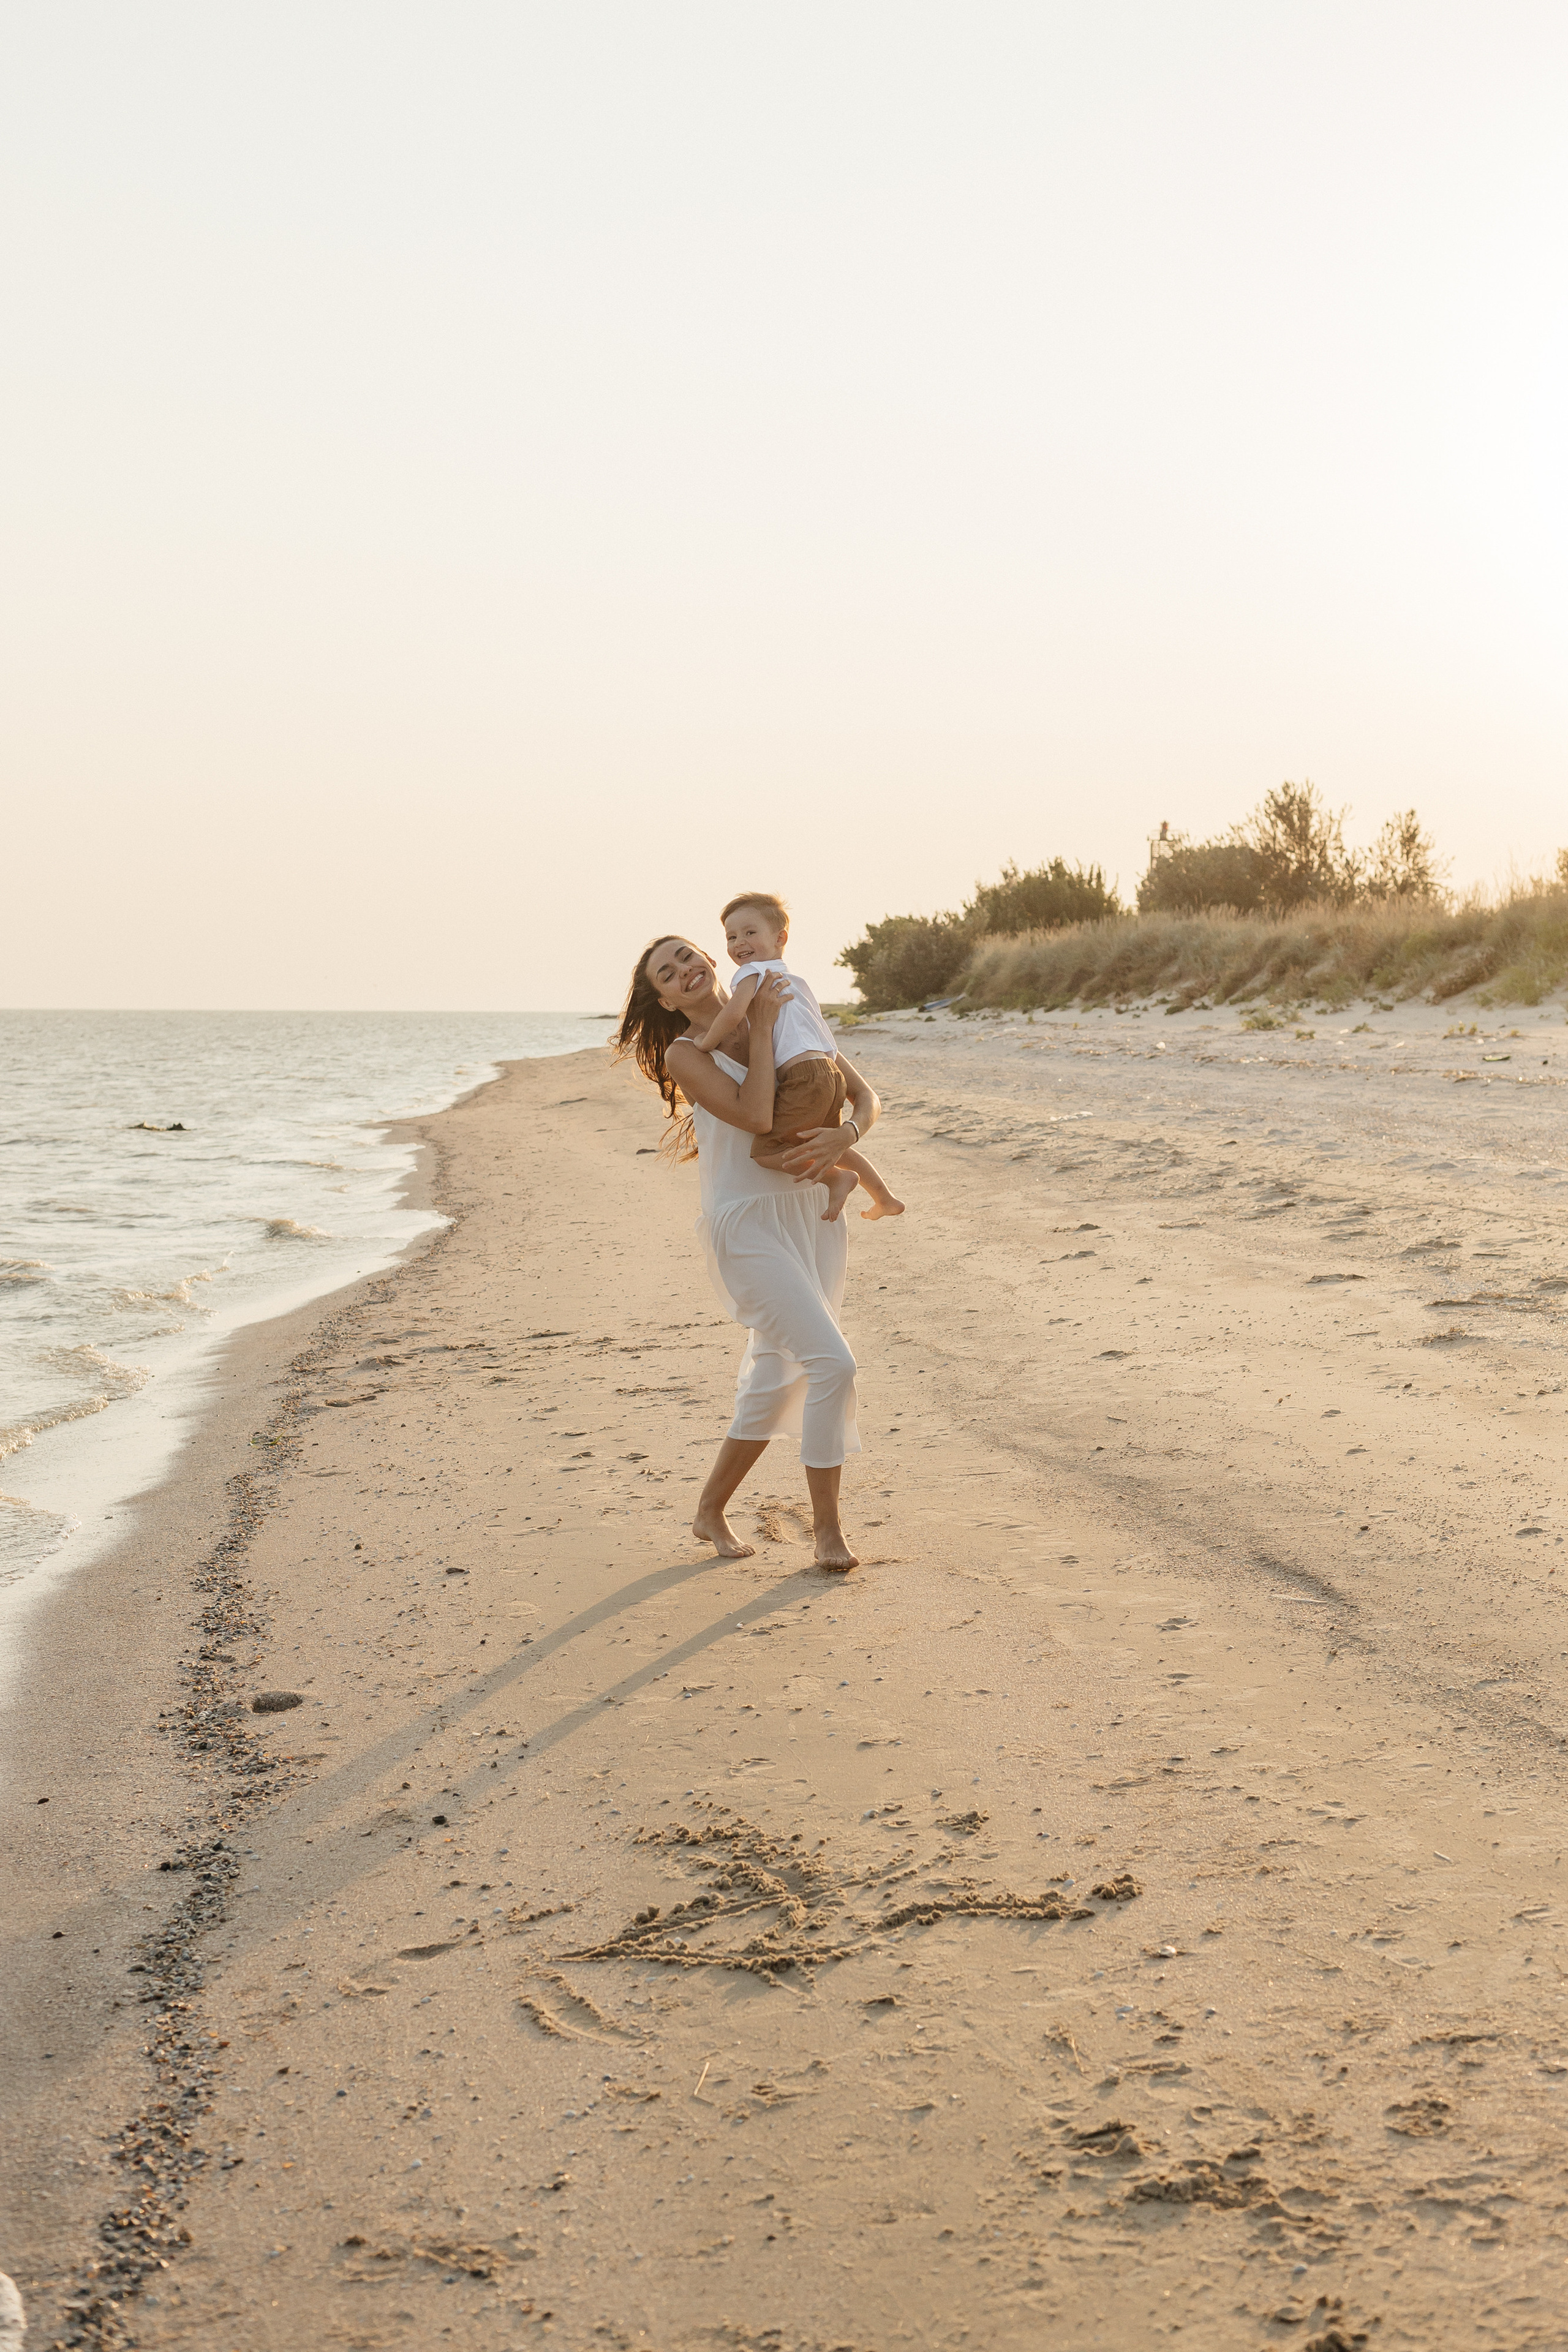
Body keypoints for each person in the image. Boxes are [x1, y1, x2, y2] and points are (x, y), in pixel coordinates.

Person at [616, 932, 880, 1570]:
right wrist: (759, 1028)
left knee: (772, 1376)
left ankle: (709, 1511)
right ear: (663, 1000)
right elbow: (759, 1117)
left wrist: (843, 1136)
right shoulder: (688, 1053)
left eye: (687, 957)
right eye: (666, 973)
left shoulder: (784, 1009)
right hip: (747, 1226)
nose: (683, 971)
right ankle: (827, 1533)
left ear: (711, 959)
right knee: (832, 1365)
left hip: (811, 1215)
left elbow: (865, 1097)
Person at [685, 892, 904, 1225]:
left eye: (749, 932)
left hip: (802, 1075)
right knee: (820, 1142)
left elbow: (731, 1016)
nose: (739, 942)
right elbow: (819, 1032)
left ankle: (836, 1178)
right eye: (731, 937)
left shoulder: (751, 975)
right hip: (829, 1071)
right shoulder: (795, 981)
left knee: (767, 1153)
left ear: (780, 938)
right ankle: (883, 1196)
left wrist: (705, 1042)